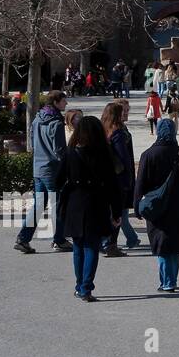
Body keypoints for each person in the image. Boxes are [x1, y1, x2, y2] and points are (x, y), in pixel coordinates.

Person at [54, 116, 123, 302]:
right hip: (97, 203)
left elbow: (57, 180)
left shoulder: (70, 153)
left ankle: (79, 285)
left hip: (75, 203)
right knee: (92, 246)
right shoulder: (105, 154)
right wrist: (116, 212)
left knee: (78, 246)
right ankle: (86, 287)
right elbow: (113, 186)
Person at [134, 119, 179, 292]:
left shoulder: (149, 155)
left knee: (162, 243)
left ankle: (167, 281)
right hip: (178, 203)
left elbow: (140, 183)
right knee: (174, 244)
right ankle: (171, 279)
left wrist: (137, 204)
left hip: (156, 205)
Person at [13, 90, 72, 254]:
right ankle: (59, 240)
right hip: (52, 169)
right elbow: (60, 150)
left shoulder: (37, 120)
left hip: (38, 168)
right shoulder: (57, 123)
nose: (66, 104)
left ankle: (23, 238)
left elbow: (31, 144)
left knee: (39, 204)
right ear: (56, 102)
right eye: (64, 101)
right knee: (57, 205)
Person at [100, 102, 140, 255]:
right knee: (116, 213)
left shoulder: (103, 129)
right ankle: (111, 245)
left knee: (111, 212)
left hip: (105, 177)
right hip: (119, 179)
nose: (126, 113)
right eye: (123, 111)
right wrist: (129, 178)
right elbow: (124, 158)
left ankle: (105, 242)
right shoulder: (118, 132)